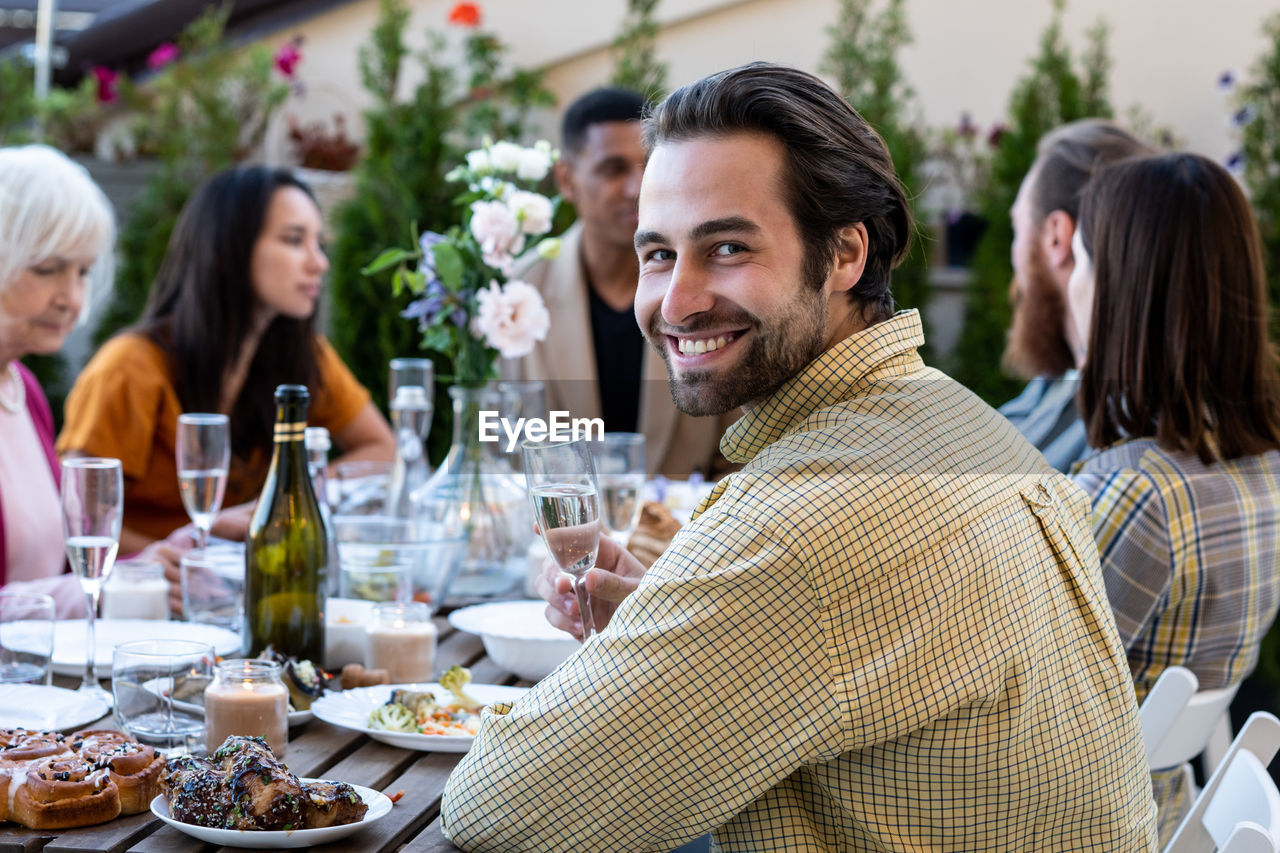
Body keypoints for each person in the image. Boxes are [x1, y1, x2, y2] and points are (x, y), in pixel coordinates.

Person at [442, 63, 1156, 851]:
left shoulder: (803, 519)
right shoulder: (964, 423)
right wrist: (669, 628)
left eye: (726, 246)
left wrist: (626, 671)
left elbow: (497, 809)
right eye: (656, 255)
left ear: (846, 253)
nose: (676, 302)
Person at [1069, 152, 1280, 844]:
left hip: (1080, 827)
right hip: (1164, 812)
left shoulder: (1135, 493)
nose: (1068, 286)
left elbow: (1016, 704)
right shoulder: (1260, 469)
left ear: (1120, 291)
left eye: (1078, 263)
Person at [58, 166, 395, 555]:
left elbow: (382, 450)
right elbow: (76, 521)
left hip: (236, 586)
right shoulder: (129, 368)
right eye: (293, 240)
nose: (319, 262)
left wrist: (286, 495)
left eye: (318, 242)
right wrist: (170, 562)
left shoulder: (302, 357)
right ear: (227, 249)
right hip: (142, 595)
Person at [503, 86, 735, 479]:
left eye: (648, 165)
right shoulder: (519, 291)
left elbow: (738, 451)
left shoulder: (711, 284)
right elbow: (500, 447)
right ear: (566, 180)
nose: (637, 188)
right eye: (613, 169)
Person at [998, 119, 1153, 472]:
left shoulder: (1123, 434)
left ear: (1057, 236)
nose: (1014, 253)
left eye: (1017, 229)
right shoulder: (1059, 384)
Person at [0, 145, 115, 616]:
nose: (71, 297)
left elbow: (51, 578)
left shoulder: (21, 388)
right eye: (47, 269)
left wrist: (145, 569)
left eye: (83, 272)